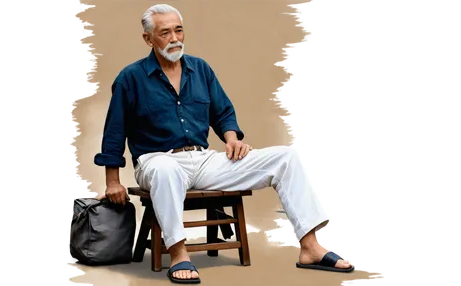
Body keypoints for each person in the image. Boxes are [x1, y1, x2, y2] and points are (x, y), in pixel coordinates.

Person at [94, 4, 354, 284]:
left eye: (178, 30)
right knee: (165, 170)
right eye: (165, 33)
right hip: (156, 160)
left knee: (286, 157)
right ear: (148, 39)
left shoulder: (200, 69)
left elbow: (223, 113)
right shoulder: (130, 78)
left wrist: (232, 139)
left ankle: (310, 247)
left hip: (202, 160)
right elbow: (114, 132)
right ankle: (179, 253)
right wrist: (112, 182)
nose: (174, 38)